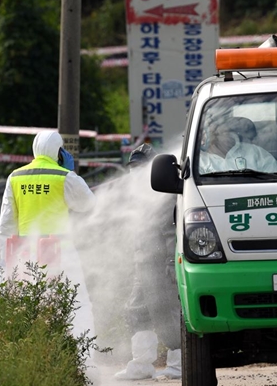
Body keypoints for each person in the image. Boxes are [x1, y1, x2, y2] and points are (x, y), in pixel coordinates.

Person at [0, 130, 98, 368]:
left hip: (25, 256)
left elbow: (5, 225)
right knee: (76, 305)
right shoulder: (64, 176)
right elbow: (88, 204)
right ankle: (82, 365)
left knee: (29, 308)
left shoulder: (15, 177)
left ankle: (31, 364)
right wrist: (71, 172)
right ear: (59, 152)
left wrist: (6, 260)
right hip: (61, 252)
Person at [114, 143, 182, 381]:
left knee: (169, 313)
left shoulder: (163, 196)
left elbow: (168, 234)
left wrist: (169, 266)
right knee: (136, 310)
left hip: (161, 265)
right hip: (143, 265)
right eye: (132, 167)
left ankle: (178, 362)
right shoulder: (138, 197)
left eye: (139, 167)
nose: (134, 173)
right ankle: (142, 364)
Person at [200, 117, 277, 174]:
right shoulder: (198, 160)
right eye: (209, 128)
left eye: (218, 128)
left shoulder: (254, 152)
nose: (213, 131)